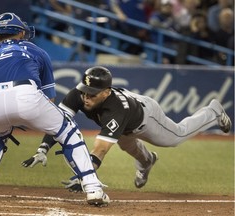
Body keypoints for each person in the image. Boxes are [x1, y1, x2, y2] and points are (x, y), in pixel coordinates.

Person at [0, 12, 109, 207]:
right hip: (26, 94)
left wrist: (6, 121)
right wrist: (27, 116)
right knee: (68, 131)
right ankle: (93, 188)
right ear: (21, 33)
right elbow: (50, 97)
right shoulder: (35, 50)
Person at [22, 66, 232, 191]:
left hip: (145, 116)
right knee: (128, 147)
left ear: (106, 92)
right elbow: (58, 122)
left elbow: (100, 149)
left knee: (175, 137)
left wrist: (85, 176)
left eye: (92, 93)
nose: (86, 97)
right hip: (125, 124)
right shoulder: (78, 95)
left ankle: (213, 111)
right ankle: (148, 160)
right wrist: (42, 149)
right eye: (85, 91)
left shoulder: (115, 109)